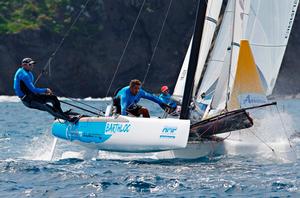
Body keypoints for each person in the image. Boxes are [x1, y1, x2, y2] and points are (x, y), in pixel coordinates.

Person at [13, 57, 77, 122]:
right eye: (30, 64)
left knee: (53, 98)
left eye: (32, 64)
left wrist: (41, 92)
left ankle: (60, 114)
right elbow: (33, 89)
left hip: (32, 96)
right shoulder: (24, 74)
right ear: (24, 65)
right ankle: (69, 119)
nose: (32, 66)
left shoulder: (28, 73)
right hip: (28, 100)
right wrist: (45, 90)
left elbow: (30, 89)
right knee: (47, 107)